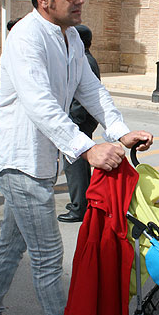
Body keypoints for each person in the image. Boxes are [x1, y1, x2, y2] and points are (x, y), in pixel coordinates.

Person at [0, 0, 153, 315]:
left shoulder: (70, 39)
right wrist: (87, 149)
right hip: (19, 162)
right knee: (49, 257)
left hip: (39, 161)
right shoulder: (25, 38)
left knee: (11, 244)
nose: (80, 0)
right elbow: (40, 104)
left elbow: (94, 91)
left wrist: (120, 130)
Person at [58, 24, 100, 223]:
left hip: (79, 121)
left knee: (74, 166)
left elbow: (82, 97)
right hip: (80, 120)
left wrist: (72, 120)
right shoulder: (84, 59)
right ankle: (82, 202)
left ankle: (79, 207)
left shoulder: (85, 62)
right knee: (79, 167)